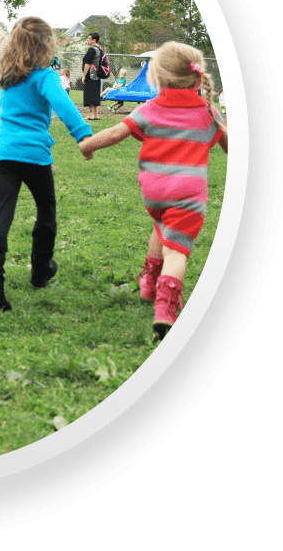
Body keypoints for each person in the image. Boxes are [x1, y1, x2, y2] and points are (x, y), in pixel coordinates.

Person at [78, 41, 227, 339]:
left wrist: (88, 145)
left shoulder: (150, 109)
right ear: (196, 76)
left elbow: (115, 133)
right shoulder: (209, 113)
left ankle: (149, 284)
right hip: (187, 196)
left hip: (155, 194)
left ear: (157, 77)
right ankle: (166, 309)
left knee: (160, 228)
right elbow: (231, 145)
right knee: (177, 252)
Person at [0, 16, 92, 312]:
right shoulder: (46, 77)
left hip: (3, 154)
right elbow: (64, 104)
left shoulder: (8, 76)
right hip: (34, 156)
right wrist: (83, 136)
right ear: (47, 46)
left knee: (1, 214)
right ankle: (40, 273)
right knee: (46, 208)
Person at [81, 32, 103, 120]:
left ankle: (91, 115)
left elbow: (87, 64)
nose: (87, 40)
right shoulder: (100, 49)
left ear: (94, 40)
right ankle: (96, 115)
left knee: (90, 94)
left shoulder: (92, 50)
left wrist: (84, 76)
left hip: (90, 75)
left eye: (89, 38)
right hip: (97, 75)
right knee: (96, 94)